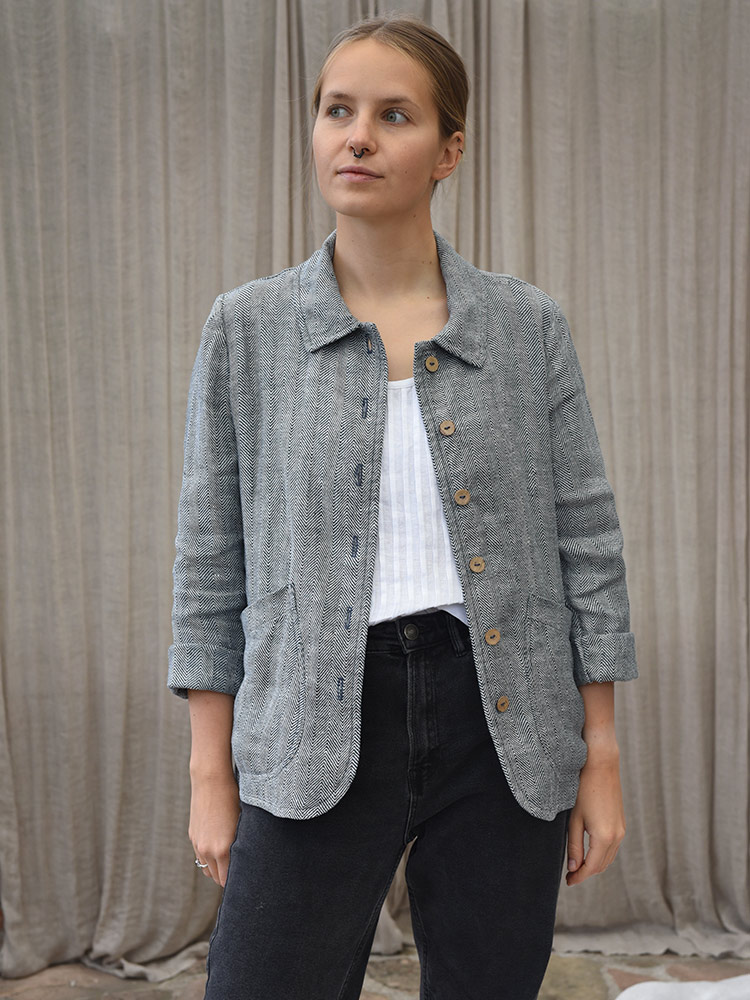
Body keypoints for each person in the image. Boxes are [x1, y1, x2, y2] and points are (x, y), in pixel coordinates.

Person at [167, 13, 638, 1000]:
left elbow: (586, 541)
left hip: (502, 718)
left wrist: (600, 754)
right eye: (337, 111)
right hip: (310, 716)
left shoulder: (524, 327)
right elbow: (211, 560)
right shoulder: (248, 329)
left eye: (394, 115)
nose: (358, 137)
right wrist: (213, 771)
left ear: (448, 150)